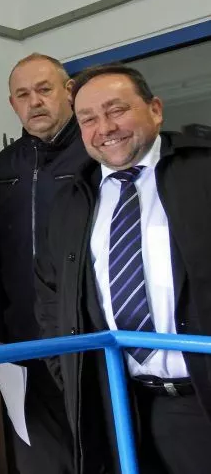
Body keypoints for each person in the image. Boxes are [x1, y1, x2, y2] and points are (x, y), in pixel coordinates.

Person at [35, 63, 211, 474]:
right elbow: (50, 300)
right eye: (88, 119)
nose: (105, 128)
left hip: (201, 399)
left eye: (116, 110)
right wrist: (74, 377)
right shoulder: (71, 201)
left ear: (155, 109)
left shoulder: (202, 173)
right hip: (121, 406)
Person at [0, 53, 89, 474]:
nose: (34, 102)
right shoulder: (0, 171)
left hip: (90, 343)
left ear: (69, 92)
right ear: (12, 104)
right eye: (22, 94)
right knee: (39, 460)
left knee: (104, 452)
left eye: (44, 89)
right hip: (23, 348)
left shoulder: (96, 154)